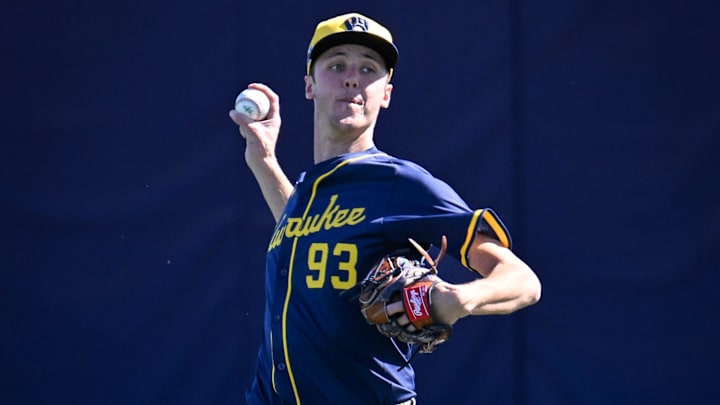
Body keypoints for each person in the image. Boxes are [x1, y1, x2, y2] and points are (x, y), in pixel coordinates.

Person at [228, 12, 541, 405]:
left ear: (386, 93)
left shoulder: (399, 183)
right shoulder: (310, 191)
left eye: (369, 68)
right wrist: (264, 162)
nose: (352, 78)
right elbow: (301, 232)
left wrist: (457, 300)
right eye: (336, 64)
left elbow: (523, 281)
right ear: (309, 85)